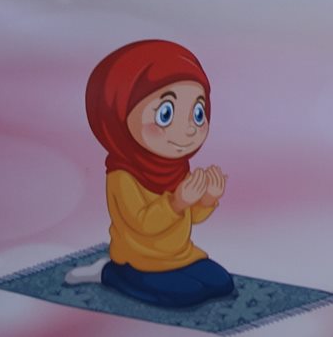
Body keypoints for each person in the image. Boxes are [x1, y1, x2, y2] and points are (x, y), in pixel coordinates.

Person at [73, 41, 234, 307]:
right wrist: (176, 202)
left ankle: (166, 275)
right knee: (185, 295)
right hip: (140, 261)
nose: (189, 130)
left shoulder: (176, 168)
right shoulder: (122, 176)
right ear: (119, 114)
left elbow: (190, 218)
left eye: (197, 113)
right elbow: (143, 224)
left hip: (180, 256)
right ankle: (110, 273)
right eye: (166, 114)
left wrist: (208, 198)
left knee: (222, 284)